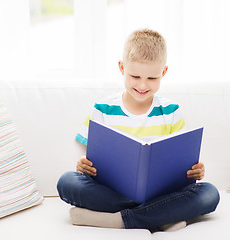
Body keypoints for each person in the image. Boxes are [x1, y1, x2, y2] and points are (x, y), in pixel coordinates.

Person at [57, 29, 220, 231]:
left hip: (161, 192)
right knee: (67, 182)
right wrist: (84, 166)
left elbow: (182, 163)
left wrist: (194, 171)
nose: (143, 85)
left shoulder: (171, 111)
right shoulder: (102, 109)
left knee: (210, 194)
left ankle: (120, 220)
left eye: (152, 78)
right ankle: (161, 216)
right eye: (135, 76)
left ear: (164, 72)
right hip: (114, 192)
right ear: (121, 67)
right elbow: (90, 160)